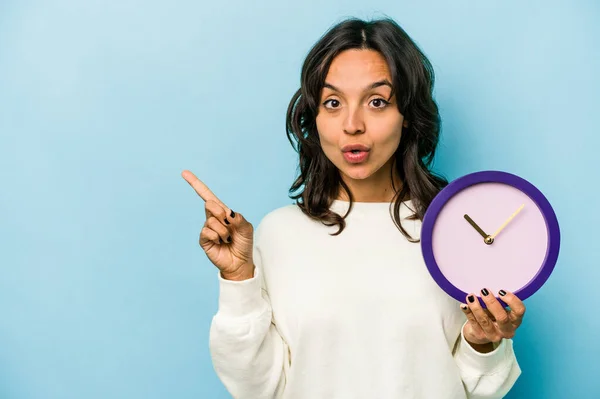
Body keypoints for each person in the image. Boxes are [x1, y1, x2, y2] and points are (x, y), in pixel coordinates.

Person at [182, 16, 525, 399]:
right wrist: (239, 277)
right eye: (332, 103)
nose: (352, 124)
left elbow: (474, 390)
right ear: (314, 117)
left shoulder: (453, 232)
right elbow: (256, 387)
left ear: (408, 114)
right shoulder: (279, 233)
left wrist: (483, 343)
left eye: (377, 101)